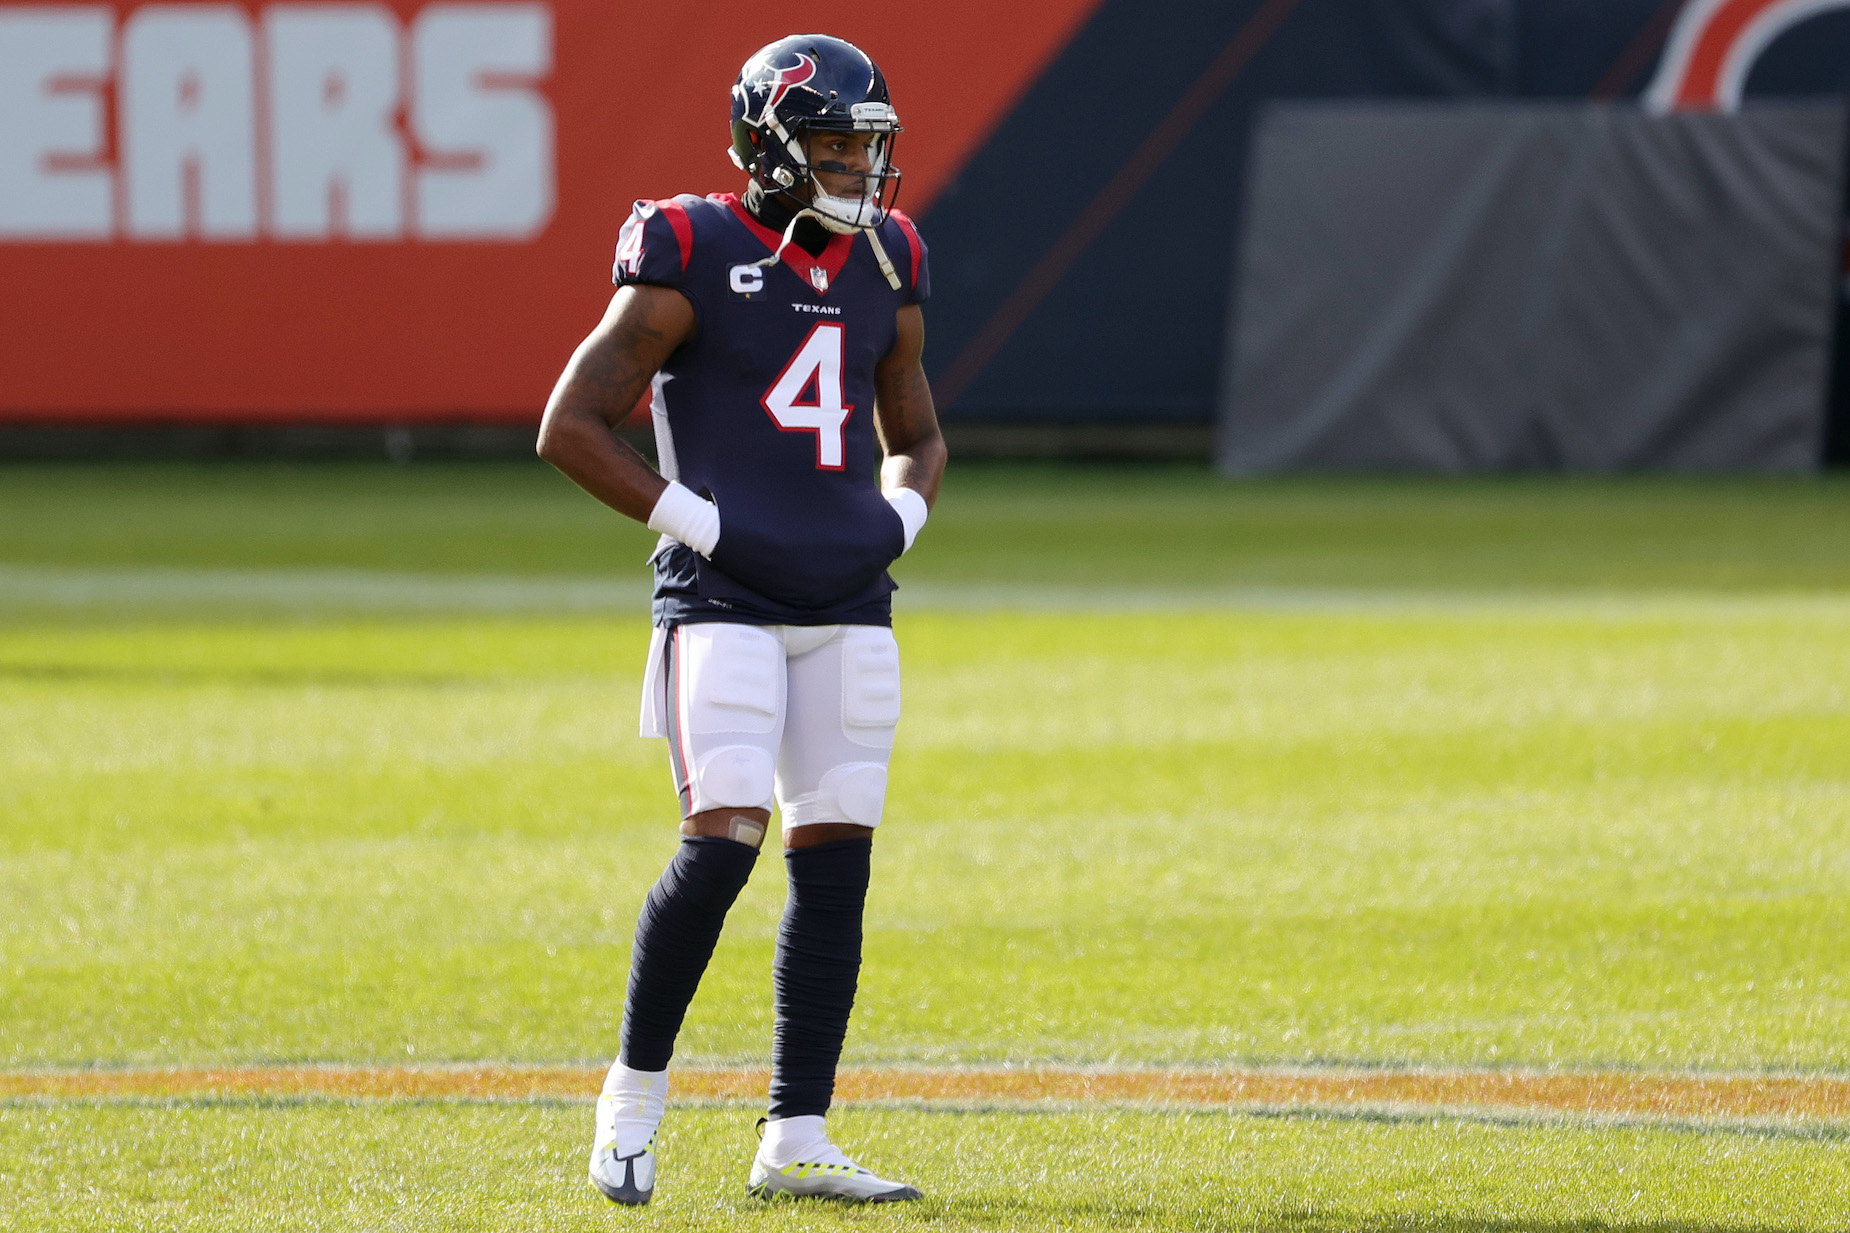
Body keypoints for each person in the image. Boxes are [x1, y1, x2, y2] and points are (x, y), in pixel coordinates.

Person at [535, 33, 945, 1206]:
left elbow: (915, 433)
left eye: (867, 145)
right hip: (722, 598)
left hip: (849, 606)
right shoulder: (689, 244)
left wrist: (895, 525)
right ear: (767, 144)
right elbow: (571, 424)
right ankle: (630, 1102)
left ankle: (797, 1135)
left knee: (837, 864)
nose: (857, 168)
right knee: (718, 844)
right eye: (830, 142)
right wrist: (703, 527)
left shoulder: (889, 255)